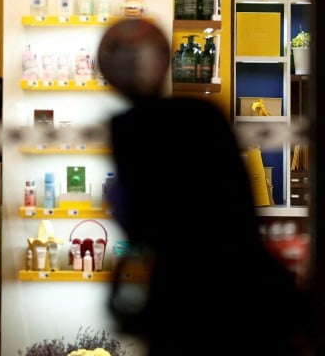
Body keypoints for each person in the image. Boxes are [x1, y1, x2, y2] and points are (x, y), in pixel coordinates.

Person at [96, 18, 310, 355]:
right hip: (250, 304)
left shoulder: (132, 130)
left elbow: (137, 220)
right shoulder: (203, 116)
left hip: (182, 311)